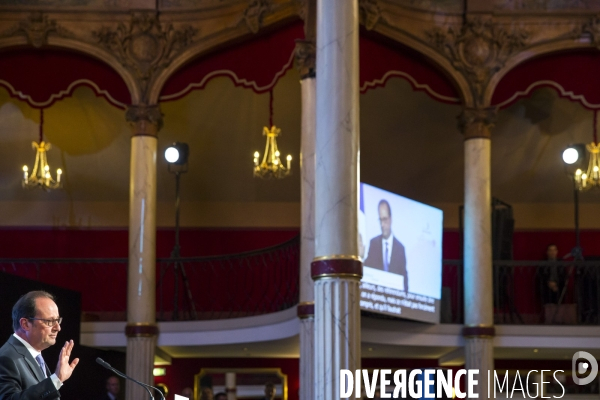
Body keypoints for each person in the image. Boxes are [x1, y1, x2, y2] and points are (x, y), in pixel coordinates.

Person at [0, 290, 79, 400]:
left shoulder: (35, 356)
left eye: (57, 320)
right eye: (49, 321)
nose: (58, 328)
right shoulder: (6, 357)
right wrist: (56, 379)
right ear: (25, 324)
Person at [364, 199, 409, 291]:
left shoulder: (400, 249)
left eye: (384, 219)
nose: (382, 224)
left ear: (391, 219)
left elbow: (404, 282)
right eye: (380, 220)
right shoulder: (373, 244)